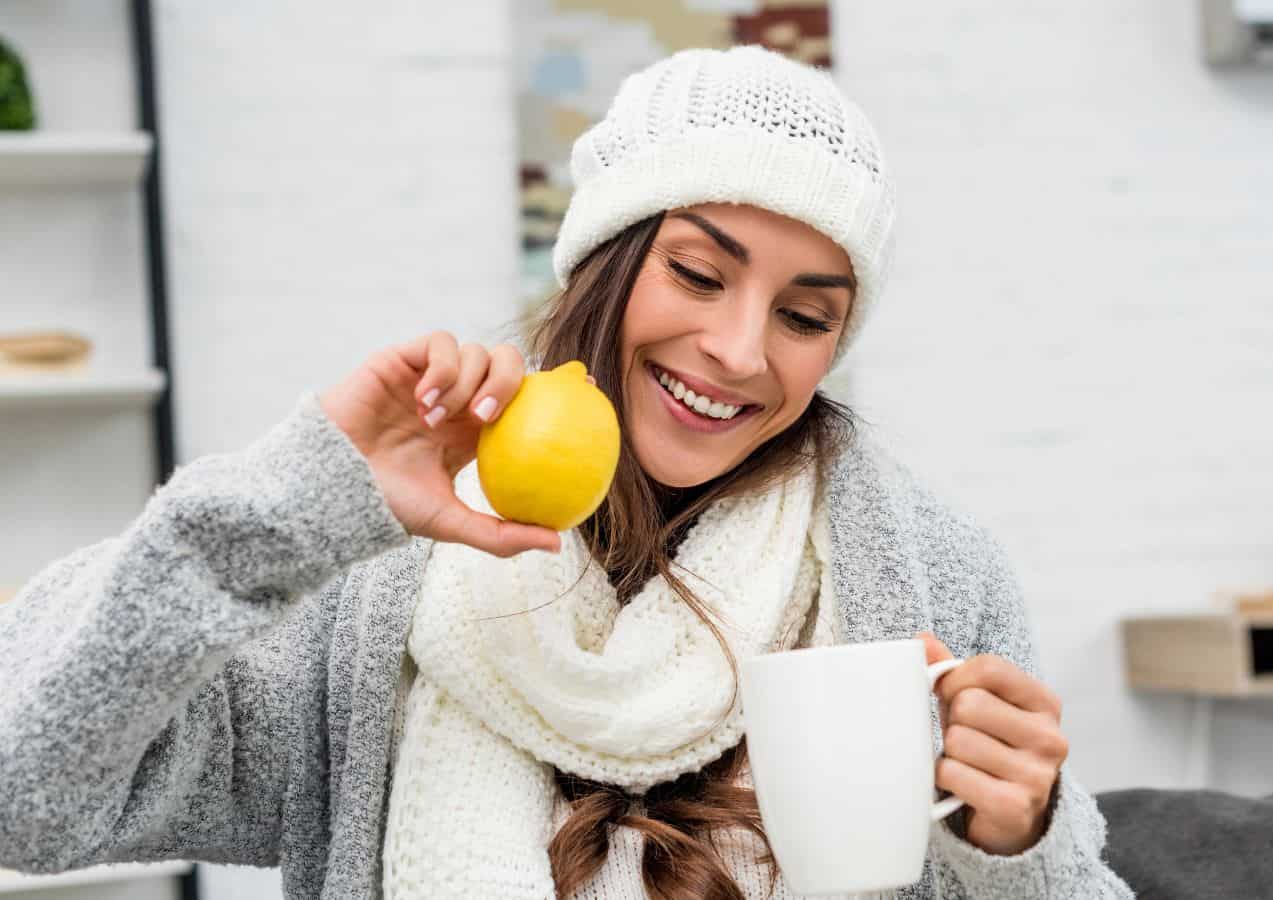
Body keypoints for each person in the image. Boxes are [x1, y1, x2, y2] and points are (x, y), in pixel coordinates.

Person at [0, 45, 1131, 900]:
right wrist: (299, 501)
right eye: (696, 273)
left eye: (802, 315)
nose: (740, 351)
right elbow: (25, 798)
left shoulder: (927, 578)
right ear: (602, 263)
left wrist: (1017, 843)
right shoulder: (377, 595)